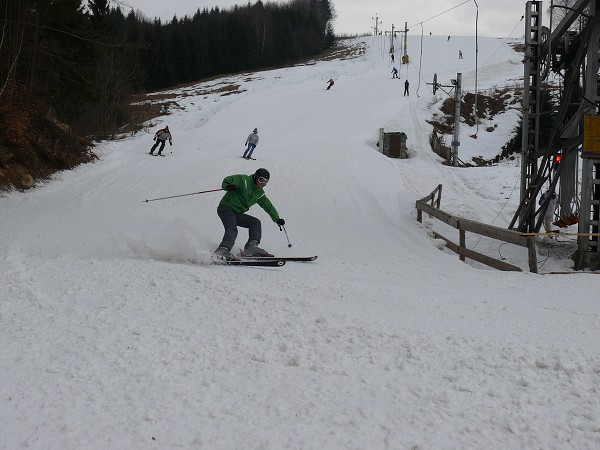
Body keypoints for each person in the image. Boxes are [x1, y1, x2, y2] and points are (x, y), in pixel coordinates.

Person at [213, 168, 285, 261]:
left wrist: (277, 219)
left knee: (255, 223)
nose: (263, 183)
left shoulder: (259, 193)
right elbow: (227, 180)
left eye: (266, 181)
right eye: (261, 180)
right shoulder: (244, 180)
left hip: (237, 213)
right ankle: (222, 251)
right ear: (256, 177)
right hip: (226, 208)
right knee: (232, 228)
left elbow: (268, 206)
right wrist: (228, 186)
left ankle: (251, 248)